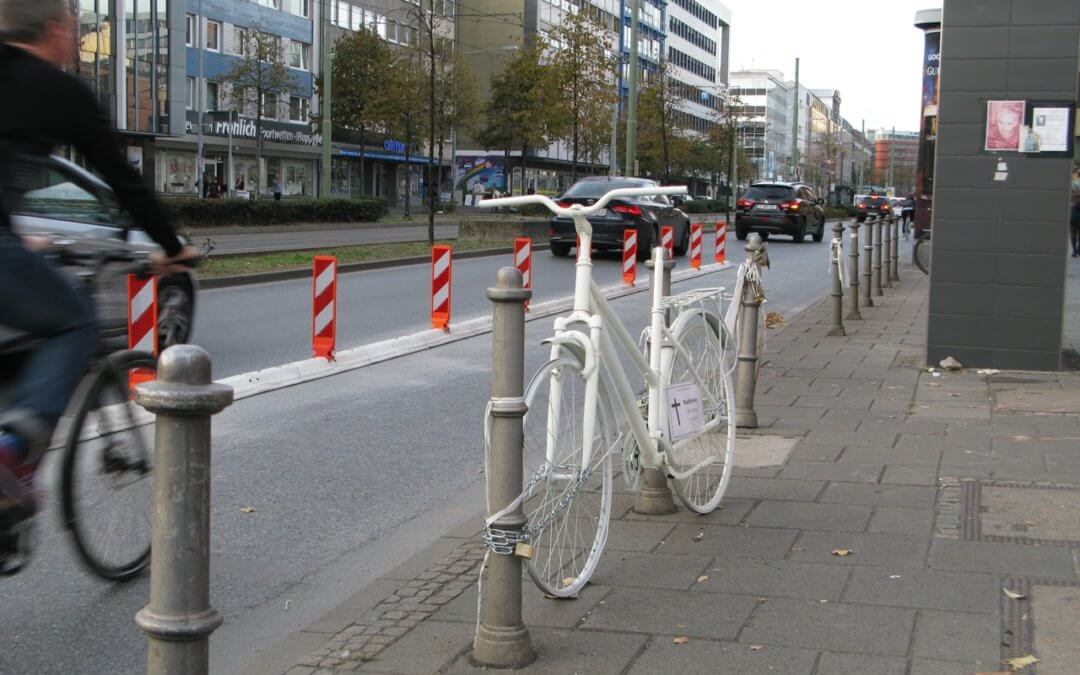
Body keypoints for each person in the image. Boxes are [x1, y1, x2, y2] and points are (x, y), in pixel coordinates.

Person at [0, 0, 197, 574]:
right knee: (71, 322)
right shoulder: (58, 90)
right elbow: (121, 180)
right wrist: (171, 246)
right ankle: (13, 449)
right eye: (77, 31)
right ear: (57, 31)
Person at [1070, 170, 1080, 258]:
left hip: (1074, 210)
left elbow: (1071, 196)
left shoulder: (1074, 184)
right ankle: (1079, 248)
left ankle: (1074, 251)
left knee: (1073, 231)